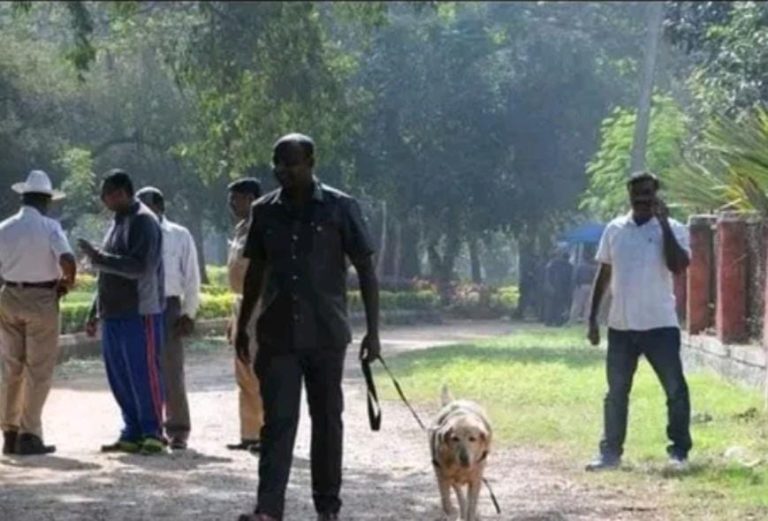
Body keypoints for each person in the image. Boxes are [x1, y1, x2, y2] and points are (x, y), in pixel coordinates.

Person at [235, 133, 381, 521]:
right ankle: (268, 510)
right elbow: (255, 275)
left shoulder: (340, 208)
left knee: (327, 424)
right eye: (277, 163)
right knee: (278, 424)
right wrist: (243, 325)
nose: (282, 170)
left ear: (311, 161)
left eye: (291, 162)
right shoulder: (264, 212)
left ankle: (327, 508)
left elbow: (366, 270)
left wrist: (374, 331)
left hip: (326, 336)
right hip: (278, 335)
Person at [586, 171, 692, 471]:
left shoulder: (674, 228)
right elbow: (604, 274)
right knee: (616, 393)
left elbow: (679, 266)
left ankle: (679, 452)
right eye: (637, 194)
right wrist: (593, 318)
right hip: (621, 326)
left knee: (675, 390)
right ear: (629, 195)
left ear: (657, 194)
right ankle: (610, 453)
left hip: (660, 325)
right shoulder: (615, 229)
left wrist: (663, 225)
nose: (642, 199)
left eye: (648, 193)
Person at [79, 170, 166, 456]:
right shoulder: (117, 222)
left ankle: (153, 431)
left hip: (139, 311)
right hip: (113, 312)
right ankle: (132, 431)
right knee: (120, 376)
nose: (104, 201)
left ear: (122, 193)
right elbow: (106, 273)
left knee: (143, 373)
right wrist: (95, 311)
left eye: (107, 194)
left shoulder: (144, 221)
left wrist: (98, 257)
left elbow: (141, 267)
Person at [0, 170, 76, 456]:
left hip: (9, 296)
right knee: (38, 369)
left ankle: (9, 432)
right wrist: (66, 283)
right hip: (42, 297)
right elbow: (67, 260)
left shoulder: (4, 227)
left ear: (23, 197)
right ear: (46, 201)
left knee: (11, 367)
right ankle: (30, 433)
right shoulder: (50, 227)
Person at [137, 186, 200, 450]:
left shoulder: (179, 235)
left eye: (146, 206)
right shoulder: (134, 233)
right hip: (140, 307)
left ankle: (177, 429)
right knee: (142, 369)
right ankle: (148, 428)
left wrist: (189, 313)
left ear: (160, 207)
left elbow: (192, 276)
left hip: (169, 307)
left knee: (172, 369)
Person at [225, 177, 264, 452]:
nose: (231, 204)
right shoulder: (241, 229)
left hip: (260, 304)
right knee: (243, 370)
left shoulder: (263, 228)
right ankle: (250, 433)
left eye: (236, 198)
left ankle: (267, 433)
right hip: (240, 304)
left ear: (251, 198)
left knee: (260, 370)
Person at [543, 247, 573, 326]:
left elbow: (547, 276)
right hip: (561, 288)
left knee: (551, 305)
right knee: (559, 305)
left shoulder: (552, 263)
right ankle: (557, 321)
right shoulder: (568, 266)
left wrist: (548, 285)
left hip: (554, 287)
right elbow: (570, 278)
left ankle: (549, 321)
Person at [570, 256, 598, 324]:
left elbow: (575, 277)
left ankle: (573, 320)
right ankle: (586, 321)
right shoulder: (593, 267)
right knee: (588, 305)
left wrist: (575, 285)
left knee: (577, 304)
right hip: (590, 286)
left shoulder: (580, 267)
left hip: (581, 286)